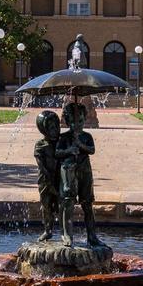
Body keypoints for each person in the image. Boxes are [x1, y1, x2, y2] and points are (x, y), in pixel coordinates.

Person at [55, 102, 102, 247]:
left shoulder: (87, 136)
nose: (78, 125)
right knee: (68, 202)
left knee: (87, 203)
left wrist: (80, 145)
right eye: (74, 122)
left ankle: (92, 236)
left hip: (85, 171)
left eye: (81, 121)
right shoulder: (63, 138)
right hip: (69, 171)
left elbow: (92, 150)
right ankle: (67, 235)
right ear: (68, 122)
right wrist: (69, 150)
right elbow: (57, 152)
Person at [33, 111, 62, 241]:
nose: (55, 130)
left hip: (61, 178)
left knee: (62, 204)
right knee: (46, 205)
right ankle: (48, 230)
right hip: (45, 180)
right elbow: (41, 166)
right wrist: (50, 184)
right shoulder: (40, 145)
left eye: (57, 126)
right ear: (43, 130)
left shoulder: (62, 141)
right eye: (51, 128)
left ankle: (65, 232)